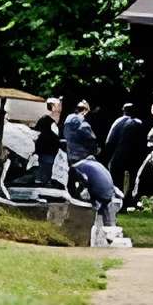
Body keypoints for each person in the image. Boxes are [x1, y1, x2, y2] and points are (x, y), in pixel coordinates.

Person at [60, 98, 123, 241]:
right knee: (106, 201)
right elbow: (90, 137)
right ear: (85, 110)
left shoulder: (66, 121)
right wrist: (95, 148)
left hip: (73, 158)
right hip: (82, 158)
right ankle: (108, 230)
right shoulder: (80, 122)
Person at [104, 100, 145, 193]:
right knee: (132, 182)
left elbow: (109, 142)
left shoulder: (117, 122)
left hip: (117, 157)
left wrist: (110, 157)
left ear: (123, 110)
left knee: (116, 183)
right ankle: (130, 201)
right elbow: (142, 143)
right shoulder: (138, 123)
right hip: (133, 158)